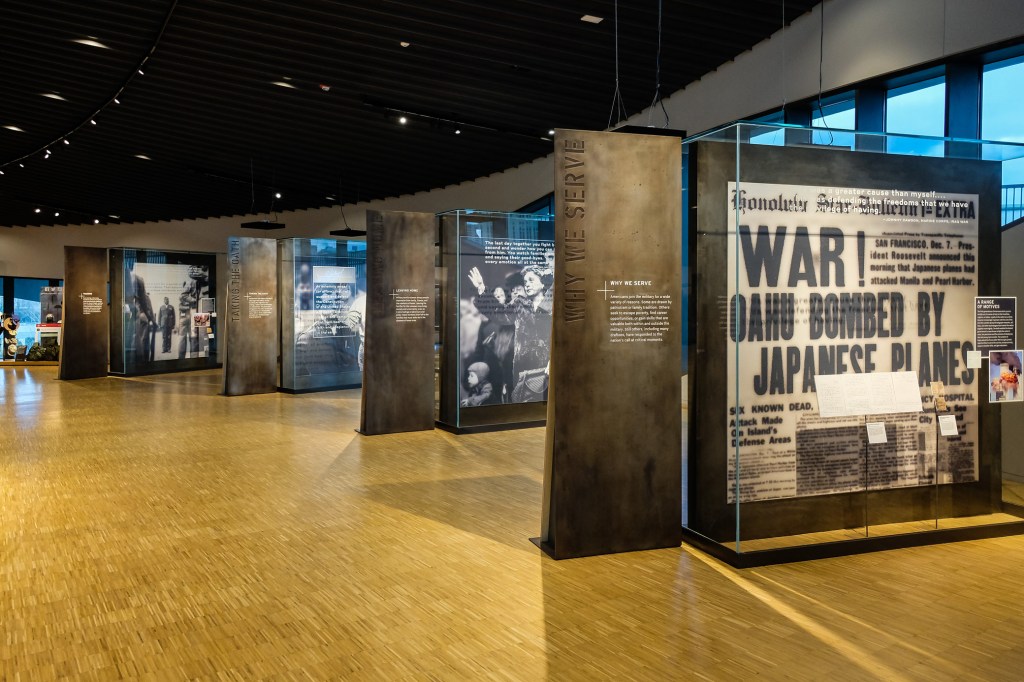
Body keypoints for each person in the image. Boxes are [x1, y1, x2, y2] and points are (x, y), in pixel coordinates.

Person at [467, 264, 552, 402]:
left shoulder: (553, 307)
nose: (527, 284)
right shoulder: (519, 305)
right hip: (523, 372)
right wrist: (482, 288)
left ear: (542, 283)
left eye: (531, 280)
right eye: (525, 281)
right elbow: (497, 313)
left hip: (547, 370)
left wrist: (553, 361)